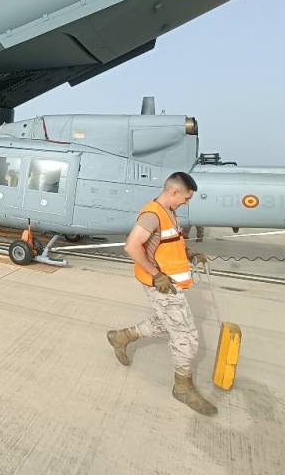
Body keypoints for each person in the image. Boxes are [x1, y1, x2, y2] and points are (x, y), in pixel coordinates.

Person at [106, 172, 217, 416]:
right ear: (174, 192)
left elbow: (168, 243)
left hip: (169, 282)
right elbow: (131, 246)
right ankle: (183, 388)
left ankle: (122, 337)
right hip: (162, 285)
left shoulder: (169, 212)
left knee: (165, 323)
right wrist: (156, 274)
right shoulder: (152, 215)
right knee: (187, 337)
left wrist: (189, 254)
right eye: (186, 198)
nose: (186, 203)